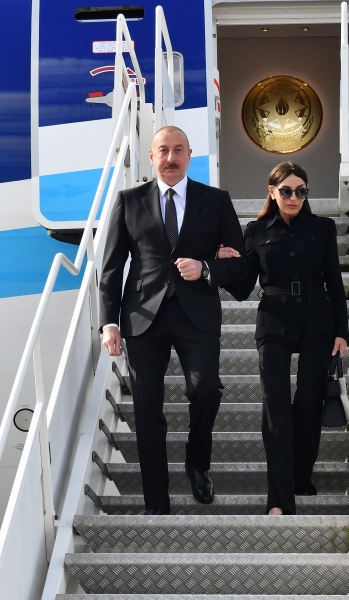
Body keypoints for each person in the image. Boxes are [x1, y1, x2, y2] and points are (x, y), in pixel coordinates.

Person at [99, 126, 247, 515]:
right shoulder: (128, 201)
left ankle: (197, 464)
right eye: (163, 150)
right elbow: (111, 268)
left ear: (190, 155)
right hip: (142, 316)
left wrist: (207, 268)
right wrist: (109, 323)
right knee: (147, 409)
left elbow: (242, 267)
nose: (170, 158)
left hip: (196, 313)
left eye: (179, 150)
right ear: (151, 157)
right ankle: (157, 501)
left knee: (206, 389)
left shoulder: (215, 201)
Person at [220, 162, 349, 515]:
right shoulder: (255, 232)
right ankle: (278, 499)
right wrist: (224, 264)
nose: (295, 197)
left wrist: (342, 332)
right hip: (274, 322)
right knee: (276, 408)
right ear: (272, 192)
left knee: (308, 401)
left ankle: (300, 478)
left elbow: (334, 281)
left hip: (317, 320)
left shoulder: (322, 228)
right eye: (287, 191)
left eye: (301, 191)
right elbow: (242, 289)